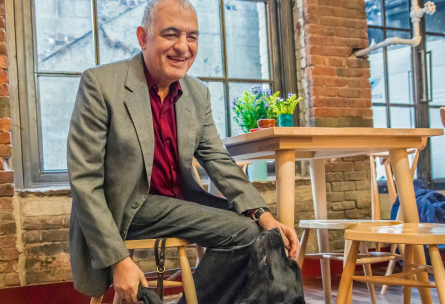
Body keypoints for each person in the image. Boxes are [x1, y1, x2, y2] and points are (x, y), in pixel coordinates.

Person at [66, 0, 300, 303]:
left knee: (259, 230)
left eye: (192, 36)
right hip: (123, 207)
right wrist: (118, 259)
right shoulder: (101, 83)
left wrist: (264, 214)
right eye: (170, 34)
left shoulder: (196, 93)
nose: (183, 47)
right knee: (244, 234)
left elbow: (218, 159)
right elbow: (85, 181)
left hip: (175, 203)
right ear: (142, 37)